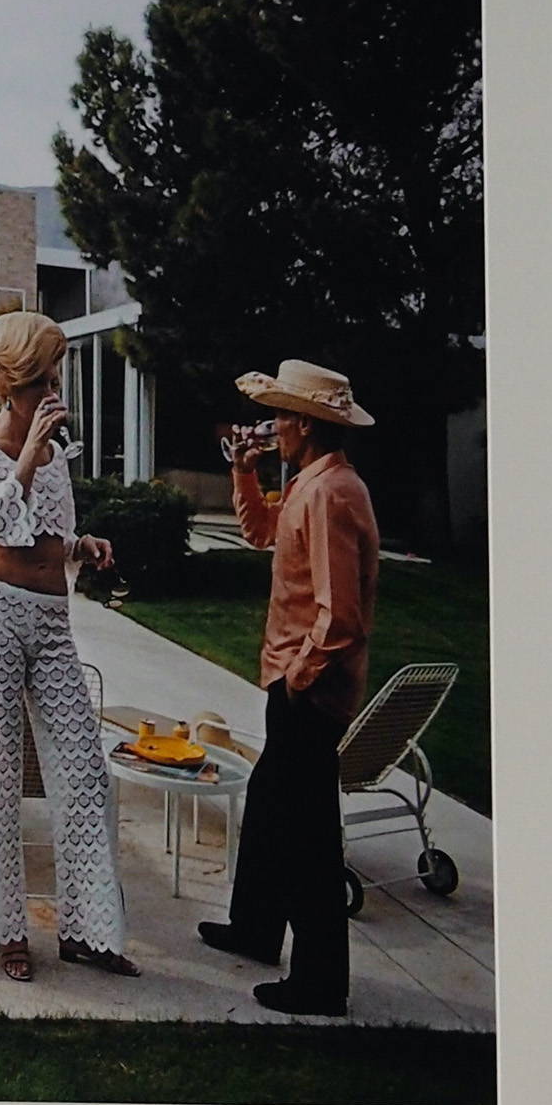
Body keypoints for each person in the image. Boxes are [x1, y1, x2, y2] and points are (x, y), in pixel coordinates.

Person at [0, 312, 136, 983]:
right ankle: (8, 933)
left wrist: (82, 547)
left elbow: (47, 535)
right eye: (46, 380)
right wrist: (27, 452)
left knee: (87, 777)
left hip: (53, 623)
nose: (56, 392)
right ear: (16, 387)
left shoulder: (60, 456)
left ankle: (88, 930)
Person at [196, 361, 382, 1015]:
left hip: (310, 687)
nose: (272, 426)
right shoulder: (311, 482)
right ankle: (254, 928)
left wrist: (299, 678)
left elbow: (341, 615)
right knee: (271, 808)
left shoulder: (332, 493)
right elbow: (258, 531)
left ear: (303, 422)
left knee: (307, 835)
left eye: (279, 416)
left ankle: (321, 982)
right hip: (295, 680)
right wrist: (244, 468)